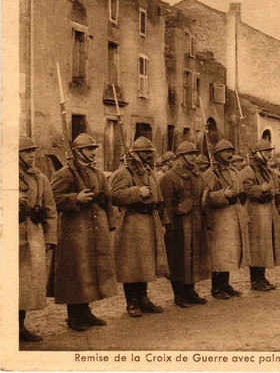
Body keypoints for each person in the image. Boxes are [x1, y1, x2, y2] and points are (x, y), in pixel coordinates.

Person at [50, 133, 118, 331]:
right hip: (75, 231)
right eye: (89, 149)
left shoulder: (97, 174)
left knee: (91, 271)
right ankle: (74, 316)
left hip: (97, 230)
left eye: (94, 149)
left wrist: (110, 223)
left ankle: (86, 311)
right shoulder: (65, 173)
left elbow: (108, 200)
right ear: (77, 151)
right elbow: (52, 199)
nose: (93, 152)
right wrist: (75, 198)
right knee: (75, 273)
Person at [111, 137, 170, 317]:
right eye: (145, 153)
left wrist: (163, 221)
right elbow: (115, 195)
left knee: (145, 263)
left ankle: (144, 299)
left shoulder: (150, 173)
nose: (148, 156)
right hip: (132, 222)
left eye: (150, 153)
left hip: (150, 220)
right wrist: (137, 192)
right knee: (132, 264)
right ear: (134, 154)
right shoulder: (124, 173)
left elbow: (159, 199)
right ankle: (132, 302)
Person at [160, 141, 210, 307]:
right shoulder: (169, 177)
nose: (193, 157)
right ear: (180, 157)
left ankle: (191, 290)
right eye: (190, 154)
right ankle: (179, 294)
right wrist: (169, 227)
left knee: (194, 256)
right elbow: (166, 205)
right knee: (178, 259)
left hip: (195, 221)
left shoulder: (196, 176)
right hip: (179, 222)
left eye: (194, 154)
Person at [18, 136, 57, 341]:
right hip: (10, 235)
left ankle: (19, 326)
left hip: (33, 234)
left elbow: (50, 209)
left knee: (26, 284)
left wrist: (50, 237)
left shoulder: (39, 177)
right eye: (26, 151)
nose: (31, 155)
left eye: (33, 151)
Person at [202, 140, 250, 299]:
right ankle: (216, 287)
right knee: (219, 253)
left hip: (233, 216)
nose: (229, 154)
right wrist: (223, 194)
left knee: (230, 251)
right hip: (219, 218)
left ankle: (225, 283)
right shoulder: (210, 174)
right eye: (225, 152)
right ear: (216, 155)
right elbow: (206, 198)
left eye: (231, 151)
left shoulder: (235, 172)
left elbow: (241, 191)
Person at [240, 140, 280, 291]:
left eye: (269, 151)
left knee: (265, 244)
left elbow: (275, 186)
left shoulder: (267, 169)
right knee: (256, 245)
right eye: (266, 152)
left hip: (267, 209)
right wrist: (261, 189)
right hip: (255, 210)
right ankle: (255, 280)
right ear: (257, 153)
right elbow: (246, 189)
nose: (269, 154)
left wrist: (275, 194)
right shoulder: (248, 170)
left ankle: (262, 277)